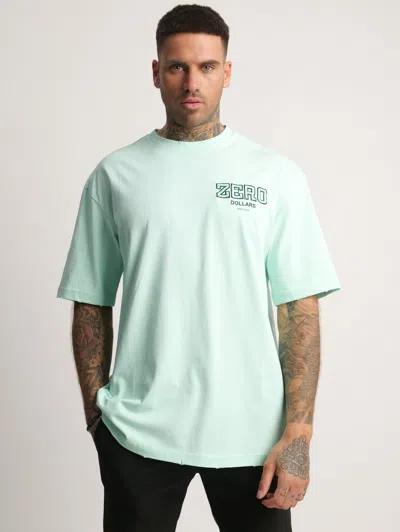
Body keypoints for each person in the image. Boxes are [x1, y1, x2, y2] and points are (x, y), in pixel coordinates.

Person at [56, 4, 341, 531]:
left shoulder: (275, 176)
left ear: (227, 73)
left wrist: (298, 434)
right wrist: (98, 418)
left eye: (207, 66)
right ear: (156, 73)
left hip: (253, 436)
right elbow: (91, 300)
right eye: (177, 67)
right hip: (138, 434)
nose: (192, 82)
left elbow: (298, 308)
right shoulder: (115, 175)